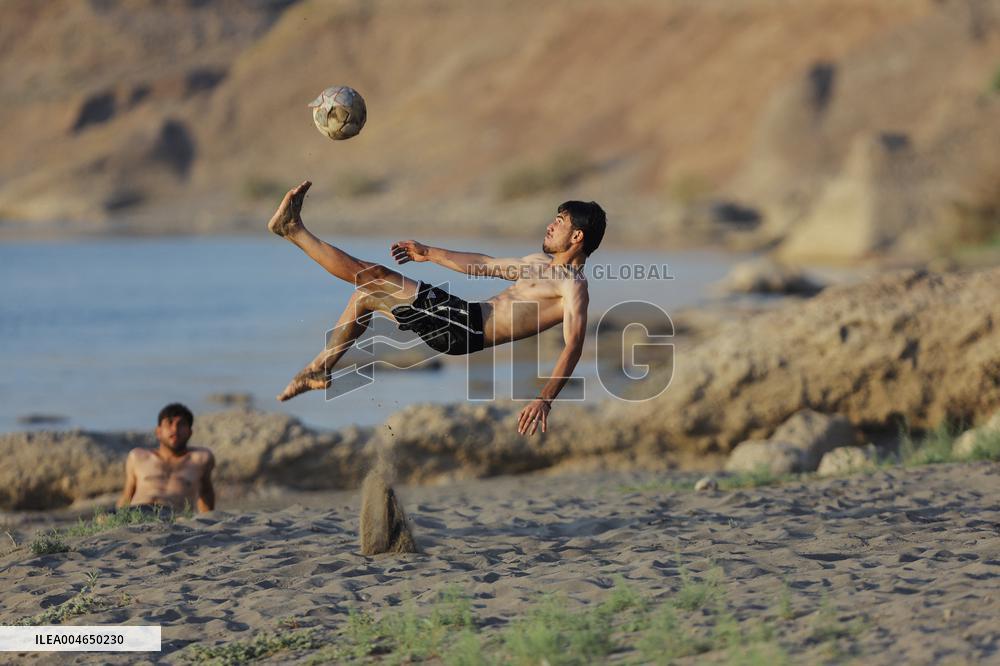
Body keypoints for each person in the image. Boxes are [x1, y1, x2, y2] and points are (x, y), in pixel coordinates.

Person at [268, 181, 606, 436]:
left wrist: (544, 398)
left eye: (559, 221)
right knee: (365, 297)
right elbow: (483, 264)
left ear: (576, 236)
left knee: (375, 276)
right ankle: (316, 370)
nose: (550, 224)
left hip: (466, 328)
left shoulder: (573, 285)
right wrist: (428, 252)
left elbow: (573, 346)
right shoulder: (537, 264)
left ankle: (293, 230)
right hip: (461, 318)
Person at [117, 403, 215, 513]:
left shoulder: (200, 459)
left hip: (172, 515)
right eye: (169, 423)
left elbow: (206, 492)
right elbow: (127, 494)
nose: (175, 429)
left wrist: (208, 520)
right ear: (158, 431)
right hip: (136, 511)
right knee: (102, 517)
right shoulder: (138, 457)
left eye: (181, 424)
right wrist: (118, 517)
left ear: (190, 432)